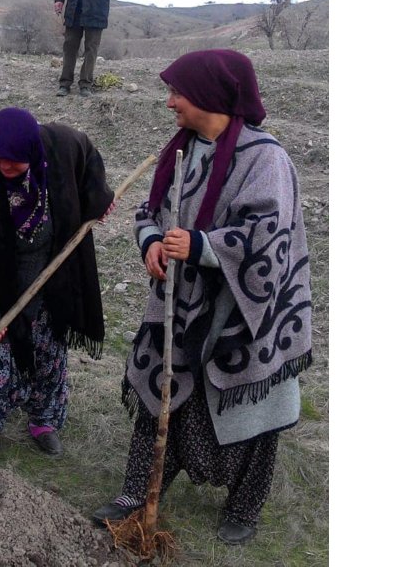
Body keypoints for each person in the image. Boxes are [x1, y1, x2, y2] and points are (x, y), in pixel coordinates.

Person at [90, 50, 314, 545]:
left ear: (210, 96)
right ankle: (137, 492)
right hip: (179, 303)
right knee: (162, 392)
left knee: (249, 411)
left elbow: (270, 235)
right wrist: (151, 241)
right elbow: (151, 212)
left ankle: (244, 506)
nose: (169, 103)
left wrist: (204, 246)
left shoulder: (265, 158)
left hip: (244, 310)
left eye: (177, 93)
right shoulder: (182, 151)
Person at [0, 107, 115, 466]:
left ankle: (43, 421)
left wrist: (99, 199)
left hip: (48, 286)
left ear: (32, 153)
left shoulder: (58, 148)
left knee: (48, 358)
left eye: (14, 163)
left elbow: (86, 155)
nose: (4, 168)